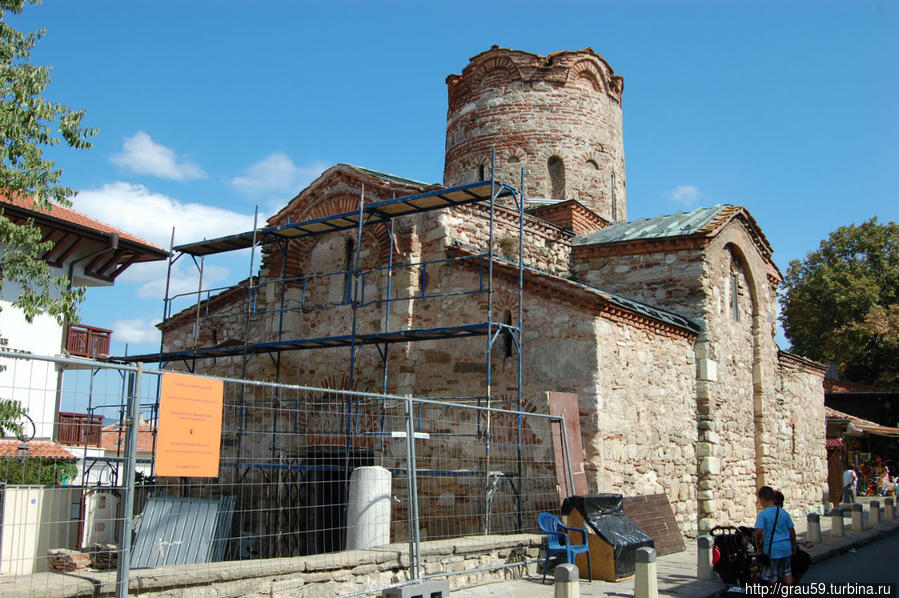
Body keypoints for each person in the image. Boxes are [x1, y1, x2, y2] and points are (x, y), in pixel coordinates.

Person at [754, 486, 796, 585]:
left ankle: (774, 594)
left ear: (762, 499)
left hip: (773, 549)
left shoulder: (763, 514)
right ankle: (789, 592)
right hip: (786, 547)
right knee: (787, 573)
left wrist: (757, 545)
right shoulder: (783, 512)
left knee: (773, 576)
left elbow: (758, 532)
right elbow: (792, 531)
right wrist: (793, 545)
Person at [773, 491, 813, 582]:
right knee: (803, 559)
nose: (779, 506)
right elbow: (791, 532)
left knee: (803, 558)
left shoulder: (767, 515)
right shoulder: (783, 515)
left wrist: (799, 542)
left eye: (780, 503)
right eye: (777, 503)